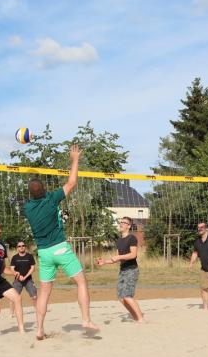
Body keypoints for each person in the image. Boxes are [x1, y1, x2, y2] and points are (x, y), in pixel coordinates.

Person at [23, 144, 97, 340]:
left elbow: (36, 192)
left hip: (44, 253)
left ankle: (39, 330)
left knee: (44, 292)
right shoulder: (51, 199)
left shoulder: (28, 208)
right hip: (60, 248)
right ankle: (86, 319)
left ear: (30, 194)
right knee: (81, 282)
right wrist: (74, 159)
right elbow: (72, 182)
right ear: (45, 190)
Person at [97, 216, 144, 322]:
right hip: (122, 270)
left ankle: (141, 319)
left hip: (132, 270)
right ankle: (135, 317)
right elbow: (117, 258)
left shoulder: (132, 238)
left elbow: (133, 255)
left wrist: (119, 257)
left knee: (127, 296)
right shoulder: (119, 241)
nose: (121, 224)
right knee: (121, 297)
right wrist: (104, 262)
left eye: (124, 222)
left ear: (129, 226)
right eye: (121, 222)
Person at [9, 241, 37, 317]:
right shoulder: (14, 257)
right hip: (18, 280)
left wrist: (25, 277)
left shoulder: (29, 256)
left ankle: (37, 310)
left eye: (23, 245)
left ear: (25, 247)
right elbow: (12, 269)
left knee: (34, 296)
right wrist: (18, 275)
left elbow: (32, 268)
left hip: (28, 280)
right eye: (19, 246)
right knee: (13, 297)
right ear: (17, 248)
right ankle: (11, 313)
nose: (21, 247)